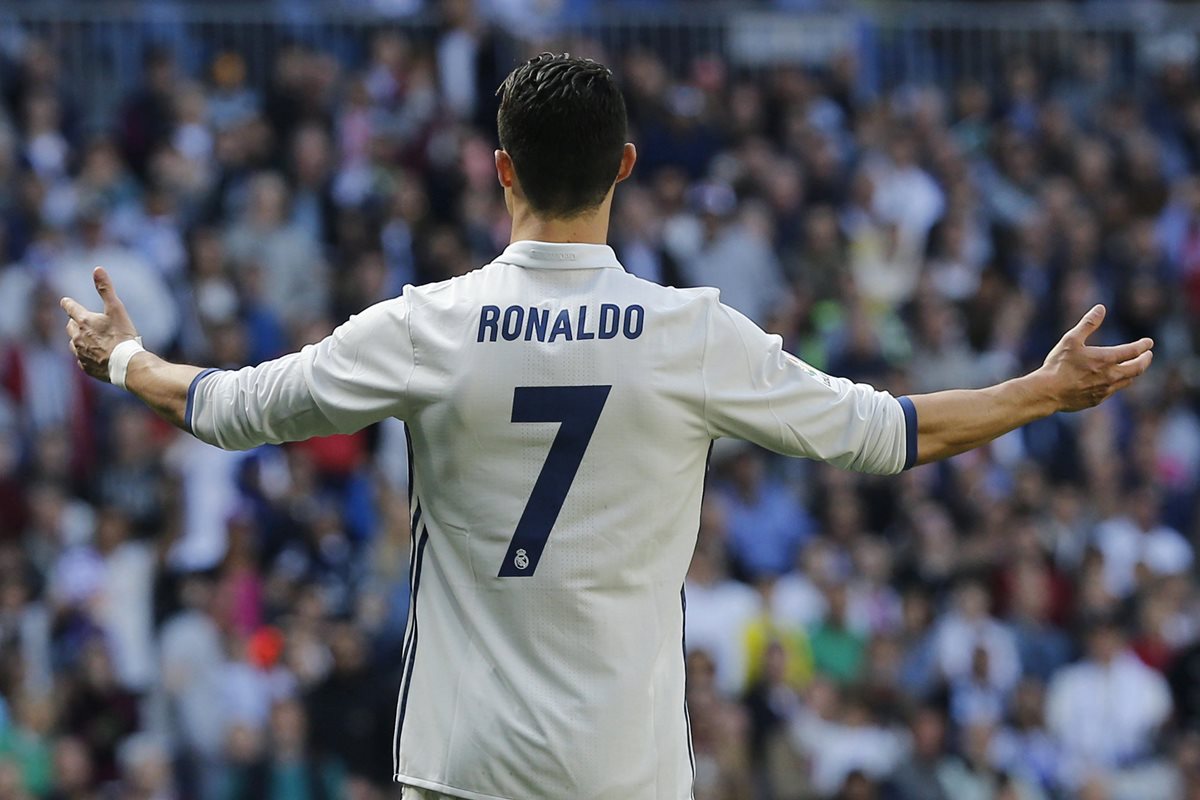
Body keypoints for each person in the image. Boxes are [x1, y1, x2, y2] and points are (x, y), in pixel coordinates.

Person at [59, 53, 1154, 800]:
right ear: (627, 166)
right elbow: (886, 431)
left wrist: (123, 357)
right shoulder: (691, 332)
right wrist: (1036, 391)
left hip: (464, 760)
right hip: (622, 768)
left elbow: (228, 408)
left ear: (501, 171)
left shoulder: (427, 324)